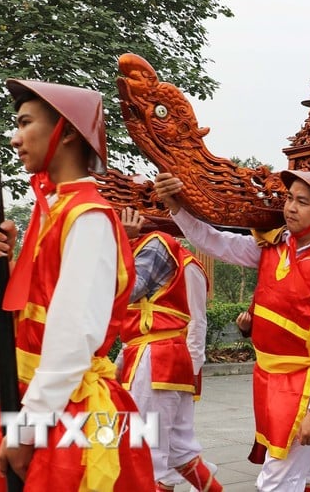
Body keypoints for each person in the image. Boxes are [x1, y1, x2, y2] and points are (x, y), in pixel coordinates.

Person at [0, 79, 153, 489]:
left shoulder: (87, 217)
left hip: (73, 411)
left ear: (66, 131)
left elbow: (73, 338)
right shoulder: (51, 210)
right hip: (41, 401)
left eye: (25, 122)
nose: (16, 138)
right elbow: (13, 320)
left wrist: (27, 429)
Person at [155, 169, 310, 492]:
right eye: (289, 199)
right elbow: (217, 242)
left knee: (275, 481)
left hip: (302, 388)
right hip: (268, 380)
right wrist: (177, 208)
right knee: (307, 472)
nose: (290, 208)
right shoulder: (273, 246)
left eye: (302, 202)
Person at [117, 209, 222, 491]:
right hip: (148, 355)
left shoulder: (159, 246)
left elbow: (197, 324)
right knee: (179, 451)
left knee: (146, 451)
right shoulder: (144, 248)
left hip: (159, 359)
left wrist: (193, 374)